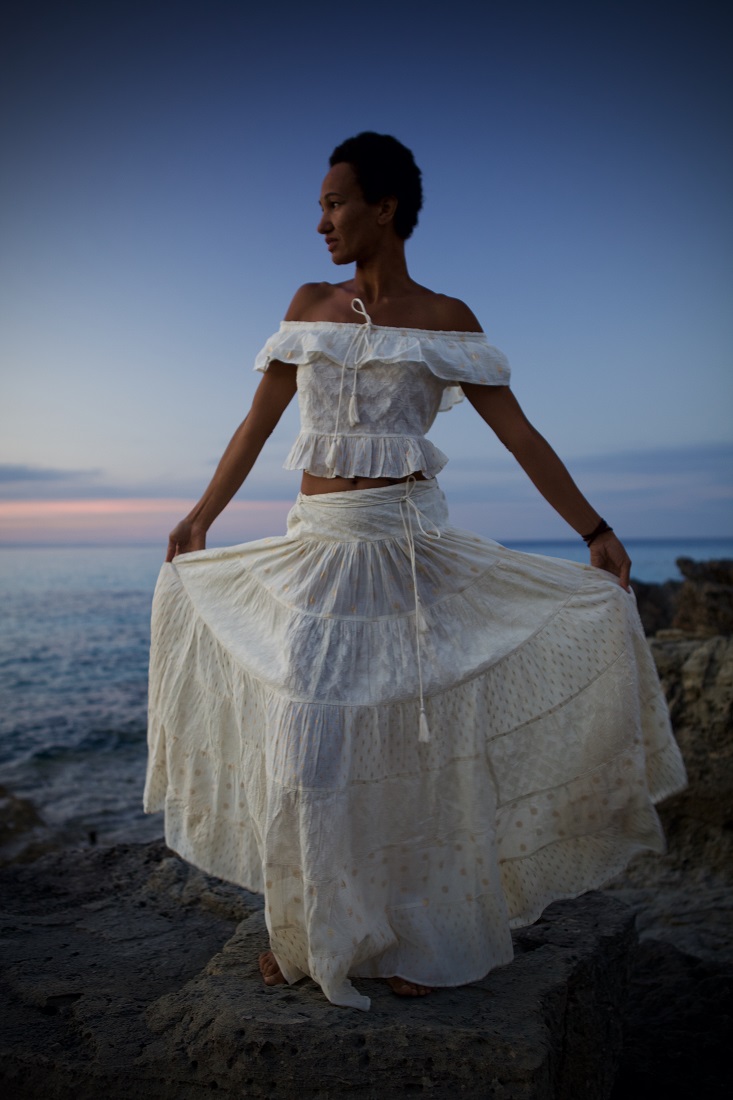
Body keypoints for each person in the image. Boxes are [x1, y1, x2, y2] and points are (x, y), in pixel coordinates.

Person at [144, 132, 686, 1011]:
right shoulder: (308, 305)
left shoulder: (446, 319)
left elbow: (520, 436)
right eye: (320, 204)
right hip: (319, 550)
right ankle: (310, 928)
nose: (320, 220)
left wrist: (594, 528)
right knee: (309, 750)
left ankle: (425, 937)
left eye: (334, 202)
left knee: (415, 750)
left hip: (408, 551)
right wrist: (201, 515)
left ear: (384, 207)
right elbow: (255, 426)